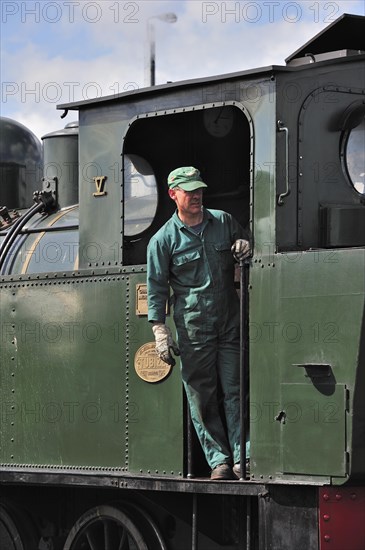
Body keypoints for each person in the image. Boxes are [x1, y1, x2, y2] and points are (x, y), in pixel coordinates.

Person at [147, 166, 250, 480]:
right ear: (173, 194)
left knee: (237, 389)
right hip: (194, 330)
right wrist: (159, 329)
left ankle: (242, 456)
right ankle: (218, 459)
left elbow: (247, 244)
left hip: (229, 323)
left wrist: (246, 247)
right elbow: (156, 286)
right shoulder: (162, 240)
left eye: (199, 189)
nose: (196, 196)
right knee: (201, 396)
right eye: (189, 191)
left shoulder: (223, 222)